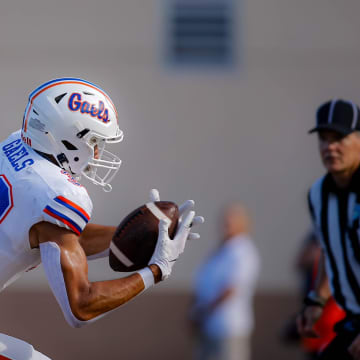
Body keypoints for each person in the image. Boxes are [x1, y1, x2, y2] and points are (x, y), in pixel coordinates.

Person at [0, 77, 204, 359]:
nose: (97, 152)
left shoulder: (15, 147)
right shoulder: (56, 194)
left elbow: (55, 234)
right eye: (94, 142)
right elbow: (80, 307)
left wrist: (148, 234)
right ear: (66, 138)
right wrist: (157, 269)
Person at [297, 99, 360, 360]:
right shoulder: (318, 194)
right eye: (323, 138)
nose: (330, 146)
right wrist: (316, 301)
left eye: (340, 137)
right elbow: (330, 250)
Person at [189, 204, 260, 360]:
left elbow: (231, 288)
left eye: (231, 221)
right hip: (209, 327)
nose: (226, 225)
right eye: (225, 221)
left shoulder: (243, 251)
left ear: (242, 223)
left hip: (229, 327)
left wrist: (204, 311)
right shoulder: (222, 249)